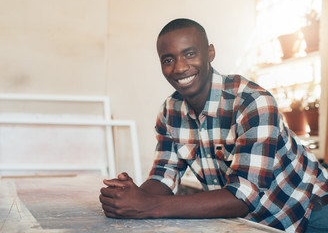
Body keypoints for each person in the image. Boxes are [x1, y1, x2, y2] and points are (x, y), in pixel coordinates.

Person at [99, 18, 328, 233]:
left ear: (210, 53)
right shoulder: (170, 111)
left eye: (189, 53)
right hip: (256, 222)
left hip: (312, 211)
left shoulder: (252, 102)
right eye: (168, 59)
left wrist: (147, 206)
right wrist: (130, 197)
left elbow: (242, 198)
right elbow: (163, 176)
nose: (179, 68)